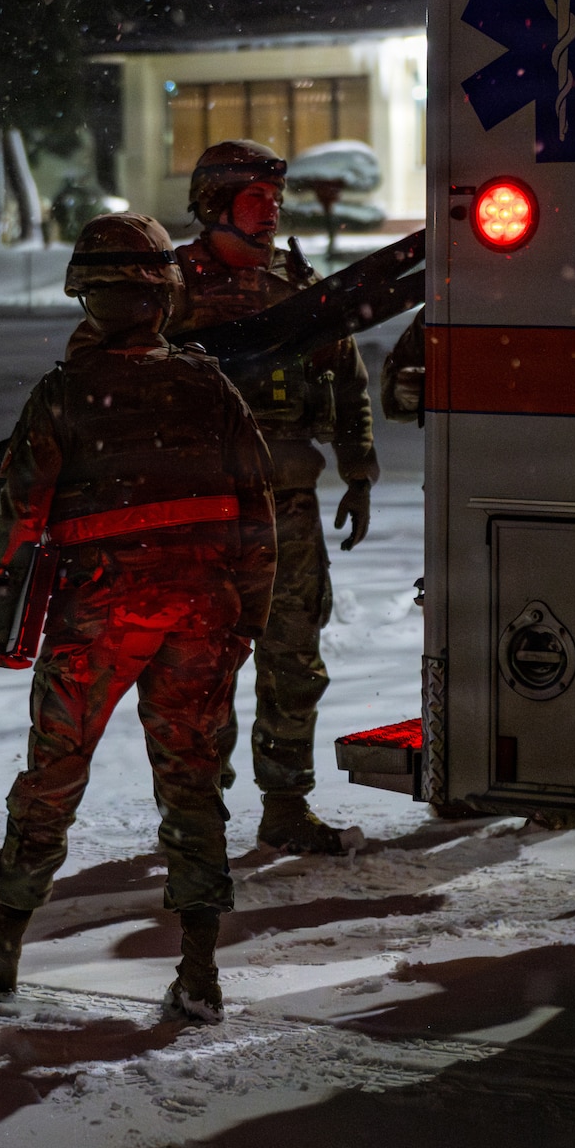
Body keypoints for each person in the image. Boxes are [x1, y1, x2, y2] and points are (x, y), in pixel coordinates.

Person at [0, 212, 280, 1023]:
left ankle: (3, 944)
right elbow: (258, 513)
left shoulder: (64, 397)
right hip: (204, 614)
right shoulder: (211, 386)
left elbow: (19, 521)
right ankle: (199, 970)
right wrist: (249, 620)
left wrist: (0, 623)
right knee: (194, 783)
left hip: (98, 617)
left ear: (84, 296)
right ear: (166, 295)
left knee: (53, 777)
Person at [171, 140, 378, 855]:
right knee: (202, 669)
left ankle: (285, 805)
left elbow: (346, 379)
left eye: (274, 199)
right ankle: (197, 814)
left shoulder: (296, 284)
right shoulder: (172, 288)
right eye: (255, 198)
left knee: (294, 660)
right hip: (202, 514)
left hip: (289, 505)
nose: (270, 211)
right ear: (213, 203)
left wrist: (359, 469)